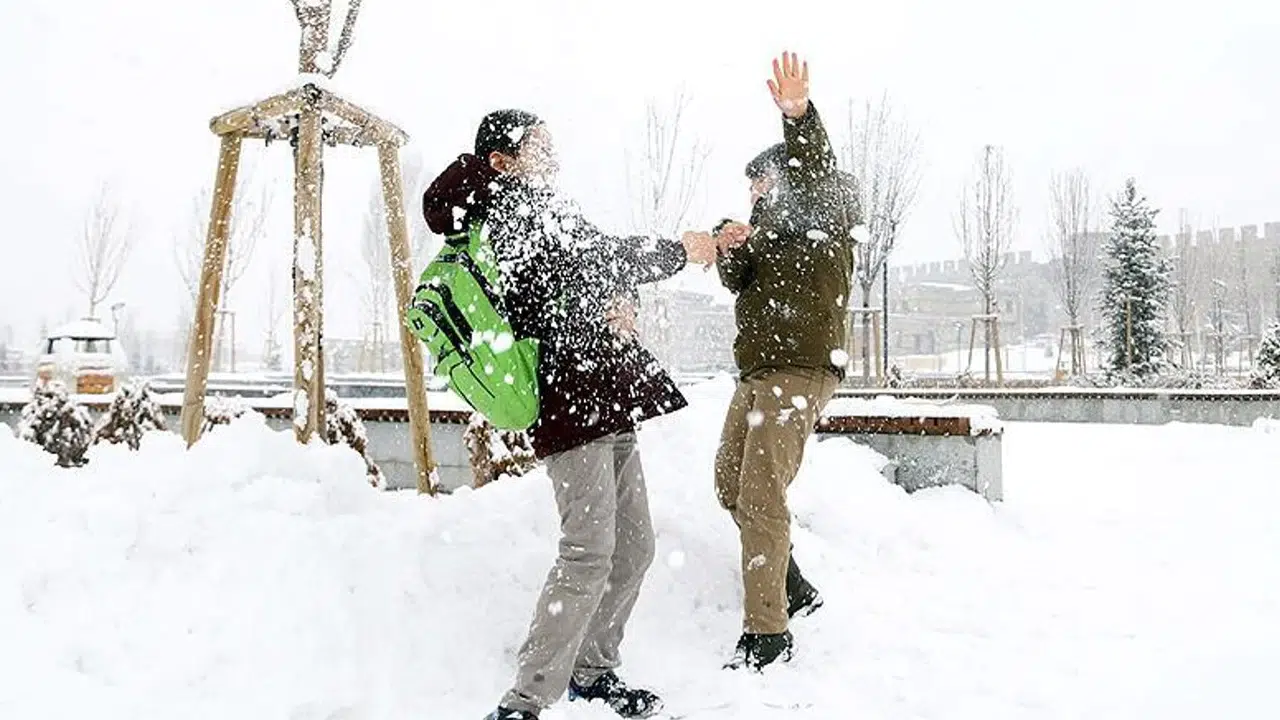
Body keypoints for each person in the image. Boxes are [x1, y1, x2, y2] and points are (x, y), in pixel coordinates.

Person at [422, 109, 719, 720]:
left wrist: (622, 301)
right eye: (540, 147)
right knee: (588, 549)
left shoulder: (544, 207)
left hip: (605, 394)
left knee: (634, 546)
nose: (553, 157)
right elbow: (590, 261)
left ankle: (593, 671)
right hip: (568, 401)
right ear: (502, 160)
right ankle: (524, 701)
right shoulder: (505, 210)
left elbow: (589, 272)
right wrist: (678, 252)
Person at [710, 52, 858, 671]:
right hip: (759, 371)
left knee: (761, 494)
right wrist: (728, 244)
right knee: (729, 482)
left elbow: (814, 166)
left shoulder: (822, 210)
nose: (754, 194)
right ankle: (792, 584)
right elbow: (737, 280)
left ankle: (768, 633)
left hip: (799, 368)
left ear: (787, 178)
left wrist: (798, 115)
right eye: (750, 188)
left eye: (761, 184)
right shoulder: (767, 234)